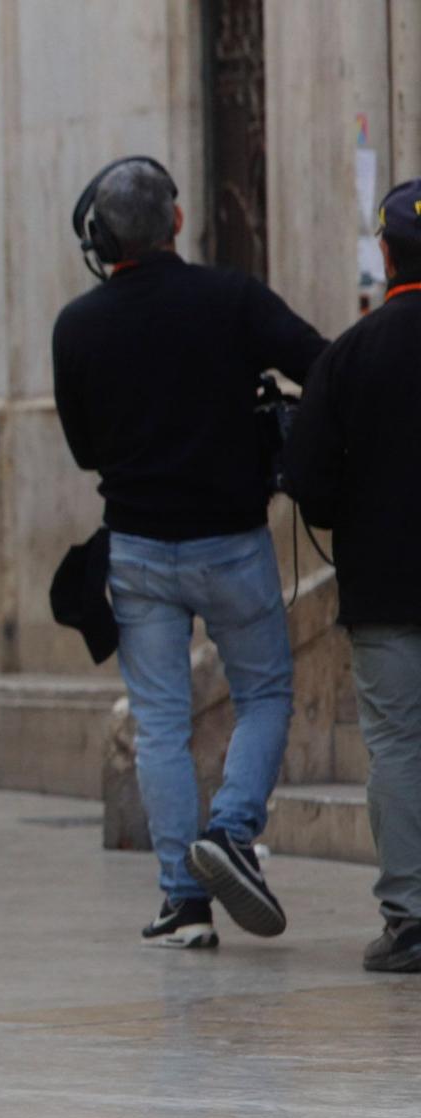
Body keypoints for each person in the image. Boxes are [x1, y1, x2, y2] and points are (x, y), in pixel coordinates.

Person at [52, 157, 327, 948]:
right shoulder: (231, 299)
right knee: (267, 690)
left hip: (136, 549)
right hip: (231, 542)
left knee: (162, 722)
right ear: (177, 220)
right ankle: (233, 831)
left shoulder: (77, 326)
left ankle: (184, 896)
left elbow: (81, 449)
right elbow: (321, 362)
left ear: (102, 239)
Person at [282, 177, 421, 972]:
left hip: (386, 589)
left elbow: (308, 480)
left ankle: (411, 919)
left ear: (384, 251)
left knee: (399, 746)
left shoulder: (350, 353)